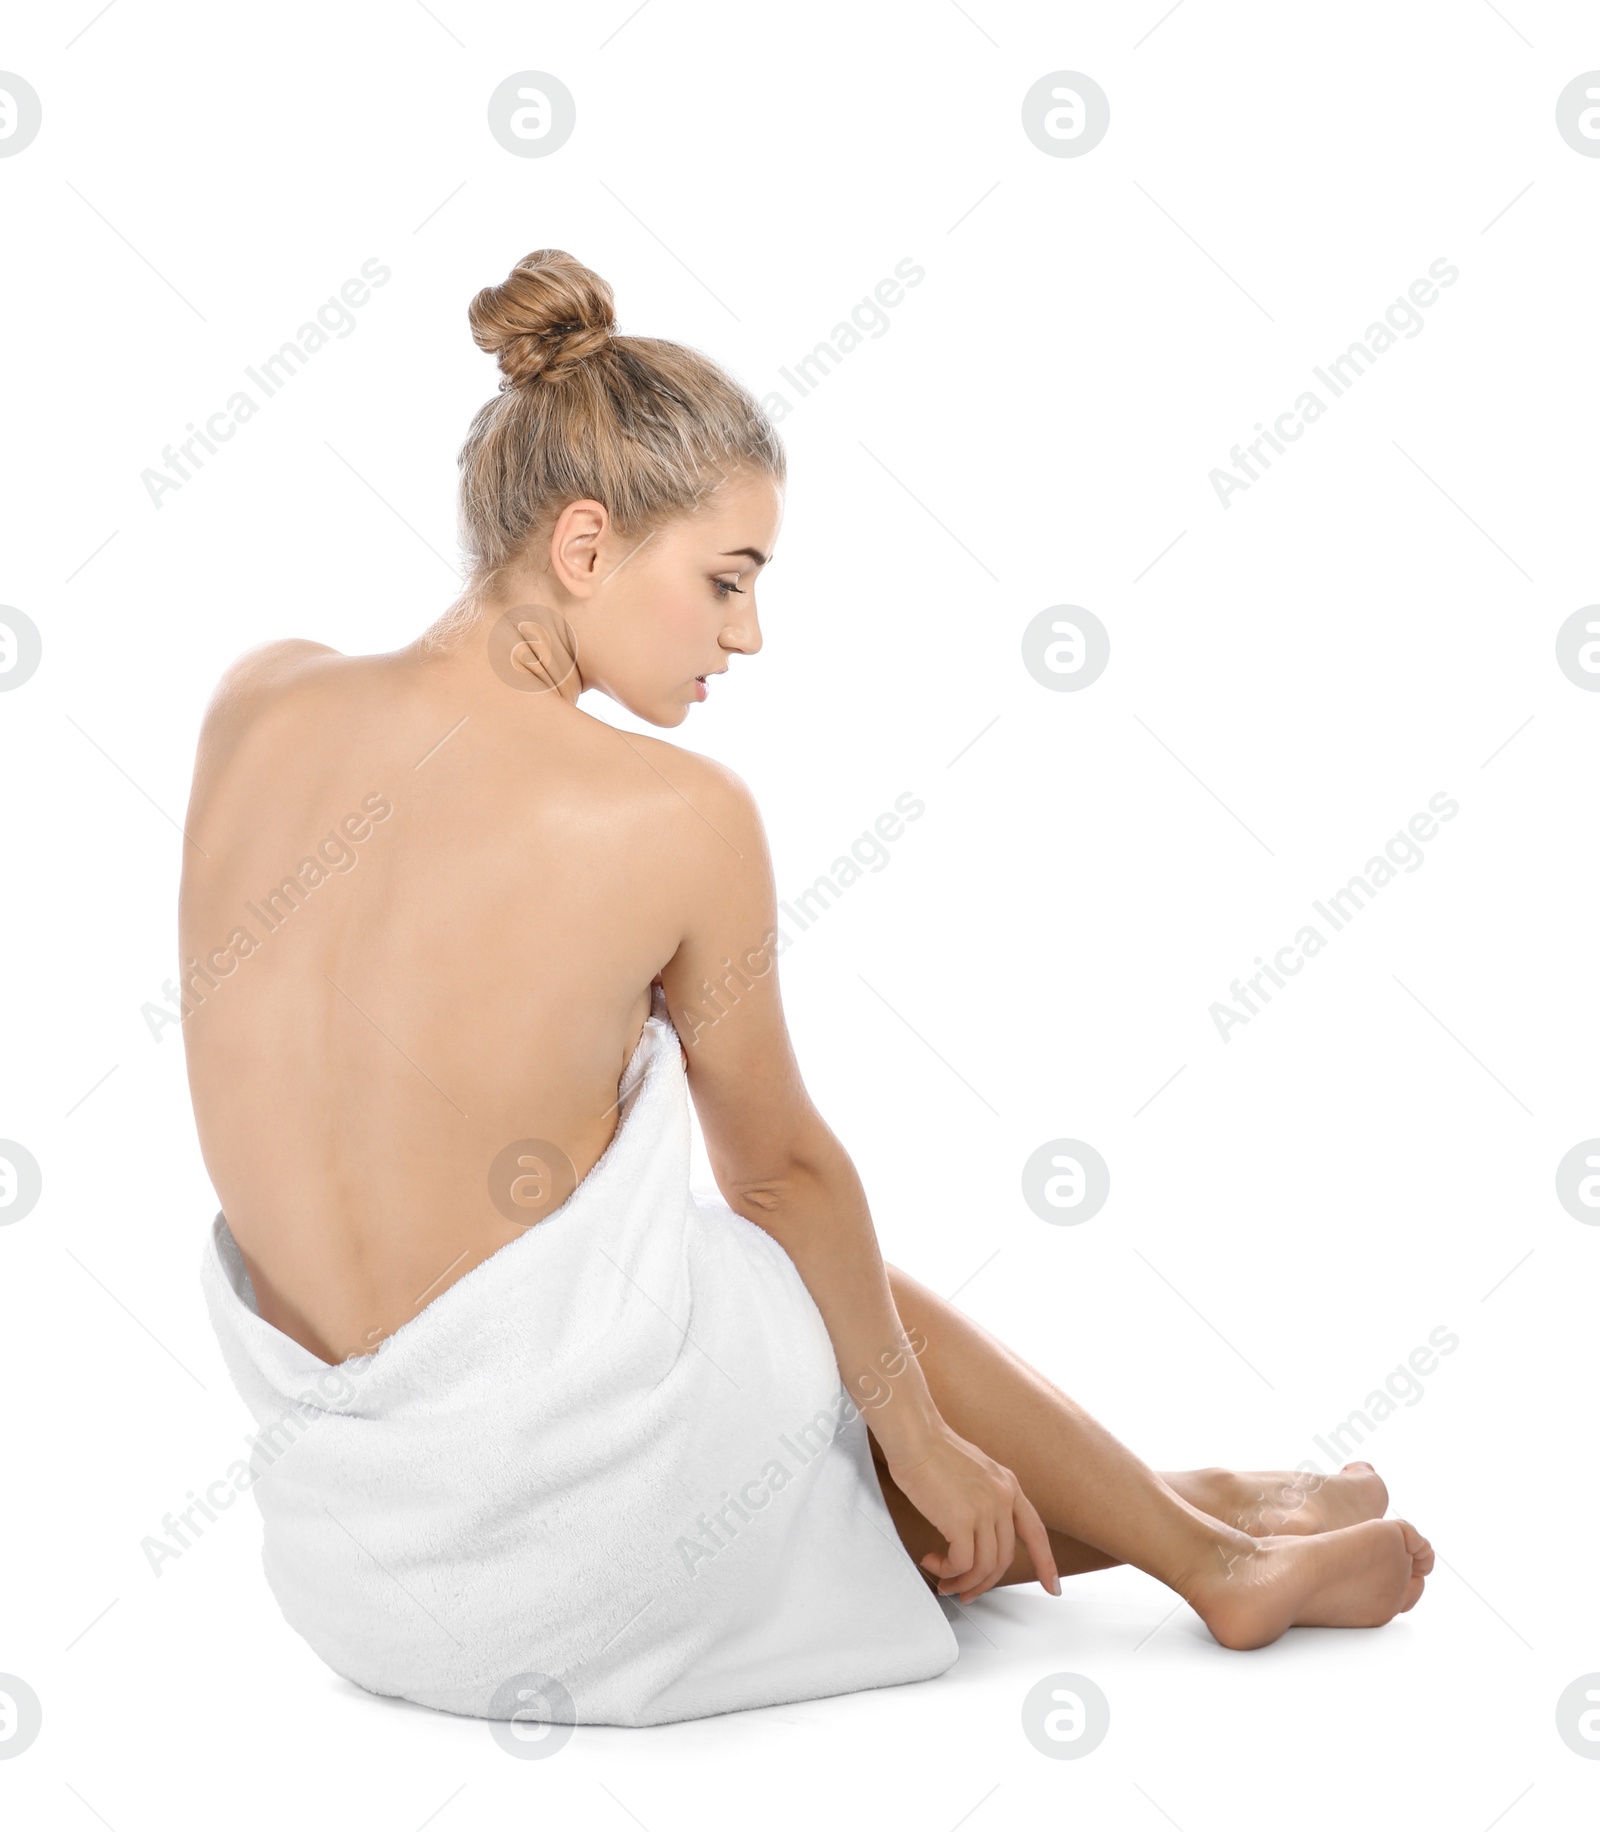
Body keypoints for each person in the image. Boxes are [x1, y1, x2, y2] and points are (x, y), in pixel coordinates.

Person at [179, 249, 1430, 1721]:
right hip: (590, 1563)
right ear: (584, 549)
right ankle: (1206, 1554)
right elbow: (777, 1175)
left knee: (733, 1327)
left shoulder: (257, 699)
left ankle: (1187, 1503)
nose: (747, 634)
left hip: (358, 1575)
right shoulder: (672, 815)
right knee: (795, 1280)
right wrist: (928, 1440)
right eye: (725, 581)